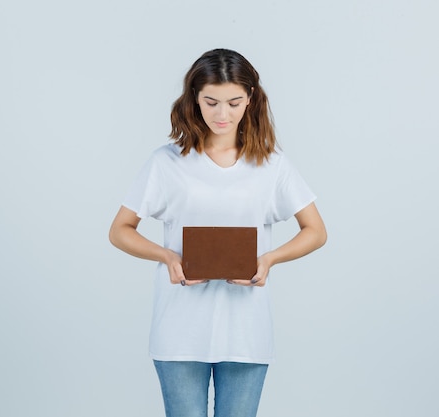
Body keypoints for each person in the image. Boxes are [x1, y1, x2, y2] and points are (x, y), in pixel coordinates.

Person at [108, 48, 327, 417]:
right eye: (211, 102)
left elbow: (316, 231)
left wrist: (269, 259)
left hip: (246, 333)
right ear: (194, 98)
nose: (222, 114)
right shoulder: (166, 162)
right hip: (179, 331)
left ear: (250, 99)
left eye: (233, 102)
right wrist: (167, 256)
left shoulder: (272, 164)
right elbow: (120, 230)